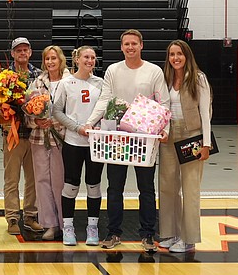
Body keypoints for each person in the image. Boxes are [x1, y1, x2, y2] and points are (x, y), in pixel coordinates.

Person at [85, 29, 170, 252]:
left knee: (146, 189)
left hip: (145, 138)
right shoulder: (113, 70)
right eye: (126, 44)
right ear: (121, 47)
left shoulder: (154, 71)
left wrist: (165, 129)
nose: (130, 47)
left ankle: (148, 235)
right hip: (117, 138)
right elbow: (105, 99)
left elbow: (163, 103)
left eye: (134, 43)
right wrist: (90, 122)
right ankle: (113, 233)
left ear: (141, 45)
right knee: (115, 188)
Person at [158, 40, 212, 253]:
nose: (175, 58)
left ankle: (188, 239)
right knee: (167, 186)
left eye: (179, 54)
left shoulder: (199, 79)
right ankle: (170, 233)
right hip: (169, 135)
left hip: (192, 136)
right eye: (172, 54)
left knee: (190, 188)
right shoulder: (167, 79)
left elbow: (206, 113)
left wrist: (205, 143)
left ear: (187, 56)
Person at [52, 46, 104, 246]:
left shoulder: (100, 83)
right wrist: (77, 128)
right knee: (71, 185)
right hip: (74, 142)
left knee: (94, 185)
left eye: (92, 57)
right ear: (77, 59)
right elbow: (56, 111)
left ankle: (93, 228)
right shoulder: (66, 84)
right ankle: (68, 227)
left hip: (96, 144)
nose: (90, 60)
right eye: (86, 57)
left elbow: (105, 109)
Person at [26, 45, 69, 241]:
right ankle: (49, 224)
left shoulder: (71, 81)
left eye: (54, 58)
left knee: (60, 182)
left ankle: (65, 223)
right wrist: (36, 120)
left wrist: (57, 120)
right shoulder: (37, 82)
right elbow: (27, 109)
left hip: (63, 138)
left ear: (61, 59)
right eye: (47, 59)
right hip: (39, 137)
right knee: (42, 181)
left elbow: (76, 111)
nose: (50, 62)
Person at [3, 37, 43, 235]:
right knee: (11, 178)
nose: (22, 53)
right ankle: (12, 217)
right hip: (13, 133)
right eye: (18, 50)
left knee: (33, 178)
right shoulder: (3, 77)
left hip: (35, 133)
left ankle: (30, 215)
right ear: (12, 53)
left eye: (25, 50)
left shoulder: (39, 75)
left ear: (30, 52)